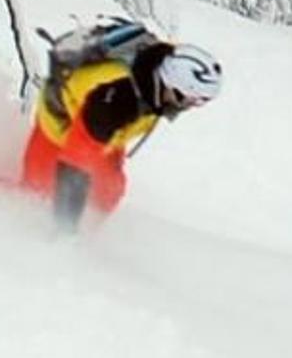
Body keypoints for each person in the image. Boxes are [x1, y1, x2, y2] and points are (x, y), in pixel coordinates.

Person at [19, 19, 222, 230]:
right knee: (36, 193)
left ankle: (89, 233)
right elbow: (75, 163)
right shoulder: (117, 100)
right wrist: (64, 232)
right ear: (173, 85)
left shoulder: (155, 74)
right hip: (60, 129)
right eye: (189, 100)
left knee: (107, 194)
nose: (188, 107)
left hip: (106, 136)